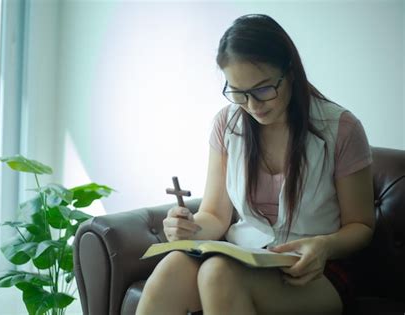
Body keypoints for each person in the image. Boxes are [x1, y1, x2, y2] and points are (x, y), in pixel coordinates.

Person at [136, 13, 375, 315]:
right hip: (245, 255)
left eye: (263, 89)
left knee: (217, 274)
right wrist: (190, 228)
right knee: (172, 267)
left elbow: (361, 226)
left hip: (315, 269)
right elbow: (215, 215)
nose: (252, 105)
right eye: (238, 92)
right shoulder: (227, 125)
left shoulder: (341, 128)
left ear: (289, 71)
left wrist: (324, 246)